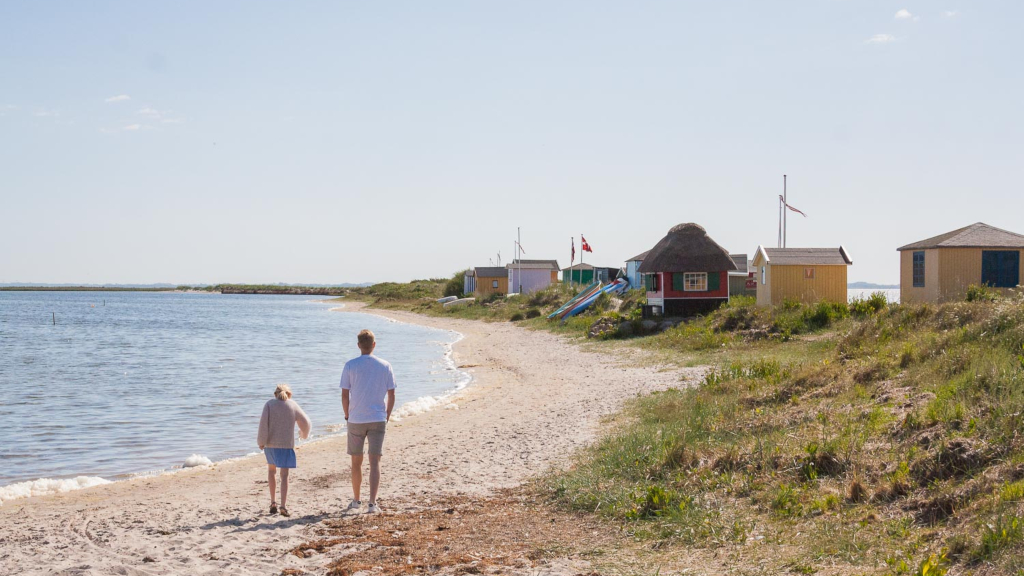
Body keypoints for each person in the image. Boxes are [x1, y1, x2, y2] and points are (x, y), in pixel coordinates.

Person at [340, 329, 396, 514]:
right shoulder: (385, 365)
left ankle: (356, 500)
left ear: (358, 346)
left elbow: (345, 394)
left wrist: (347, 415)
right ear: (374, 344)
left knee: (356, 462)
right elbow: (391, 394)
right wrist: (386, 415)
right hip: (377, 418)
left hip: (356, 419)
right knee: (375, 462)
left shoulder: (350, 365)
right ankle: (372, 503)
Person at [257, 383, 311, 517]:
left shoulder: (269, 404)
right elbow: (306, 422)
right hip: (286, 445)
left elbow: (263, 424)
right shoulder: (292, 405)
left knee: (271, 471)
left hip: (271, 445)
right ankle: (283, 506)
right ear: (289, 394)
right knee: (284, 476)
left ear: (275, 394)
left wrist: (261, 441)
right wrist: (303, 435)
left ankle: (273, 502)